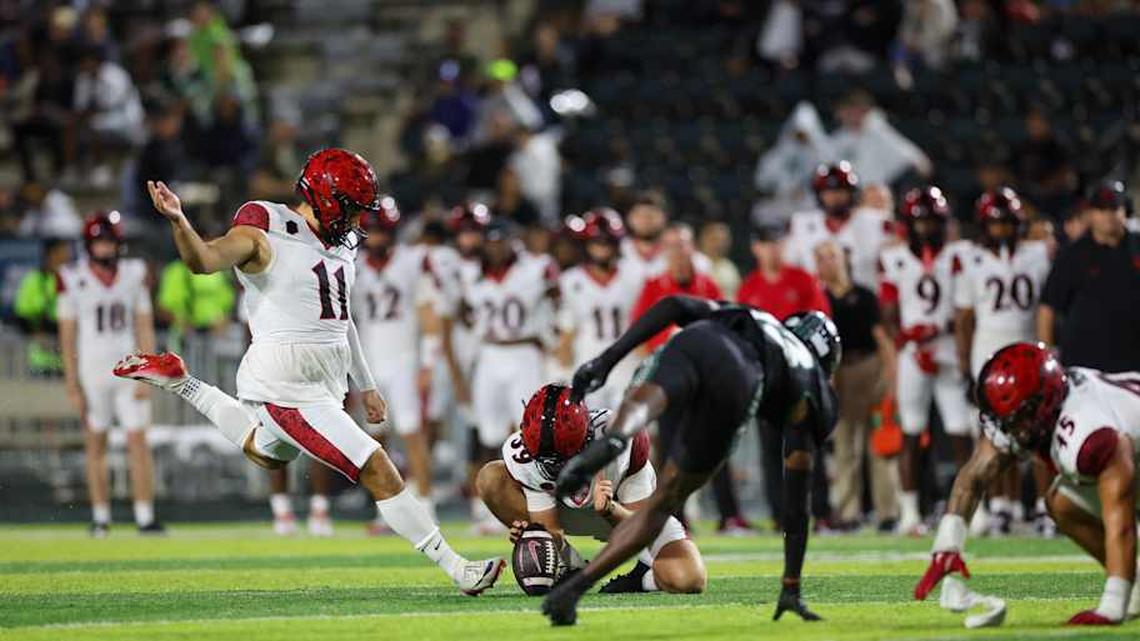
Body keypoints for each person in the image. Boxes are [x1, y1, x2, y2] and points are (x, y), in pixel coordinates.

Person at [115, 149, 504, 594]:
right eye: (354, 209)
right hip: (286, 383)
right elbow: (204, 260)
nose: (359, 222)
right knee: (377, 466)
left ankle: (181, 380)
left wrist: (368, 384)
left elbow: (342, 320)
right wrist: (179, 221)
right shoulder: (266, 225)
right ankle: (458, 568)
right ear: (329, 199)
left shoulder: (340, 246)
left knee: (266, 452)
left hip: (323, 382)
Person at [540, 296, 840, 625]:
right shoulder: (812, 384)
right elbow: (796, 504)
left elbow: (673, 306)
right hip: (742, 375)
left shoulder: (759, 317)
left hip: (696, 341)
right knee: (662, 505)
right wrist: (791, 586)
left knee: (644, 408)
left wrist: (606, 360)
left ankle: (615, 437)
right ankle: (574, 590)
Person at [915, 343, 1140, 625]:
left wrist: (1112, 605)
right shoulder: (1045, 405)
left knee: (1101, 499)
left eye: (1014, 420)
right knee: (1061, 502)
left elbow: (1122, 523)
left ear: (1041, 408)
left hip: (1125, 450)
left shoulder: (1089, 435)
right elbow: (975, 476)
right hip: (1129, 446)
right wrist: (947, 545)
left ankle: (1127, 588)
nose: (1006, 430)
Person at [476, 384, 706, 594]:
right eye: (549, 463)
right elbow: (549, 528)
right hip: (567, 513)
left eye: (565, 460)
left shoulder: (621, 437)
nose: (559, 469)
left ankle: (641, 580)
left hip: (627, 517)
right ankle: (570, 567)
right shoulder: (526, 457)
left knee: (689, 579)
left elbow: (641, 528)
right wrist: (534, 536)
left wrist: (610, 508)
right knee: (491, 478)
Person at [442, 217, 559, 533]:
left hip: (525, 351)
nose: (495, 248)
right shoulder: (470, 273)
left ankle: (536, 502)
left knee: (532, 433)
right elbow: (461, 311)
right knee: (488, 434)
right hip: (491, 352)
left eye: (500, 241)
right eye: (491, 242)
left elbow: (557, 298)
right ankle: (485, 509)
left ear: (512, 241)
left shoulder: (535, 267)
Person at [954, 187, 1053, 535]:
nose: (1002, 230)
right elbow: (964, 319)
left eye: (1008, 223)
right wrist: (966, 367)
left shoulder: (1039, 252)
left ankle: (1044, 506)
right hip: (989, 351)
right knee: (996, 435)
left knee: (1042, 433)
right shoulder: (969, 258)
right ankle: (1003, 506)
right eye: (996, 224)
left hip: (1029, 347)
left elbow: (1048, 305)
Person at [58, 212, 162, 536]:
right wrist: (72, 382)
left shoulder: (134, 273)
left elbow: (144, 323)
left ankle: (144, 516)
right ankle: (100, 517)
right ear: (89, 245)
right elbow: (67, 334)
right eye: (99, 242)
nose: (105, 248)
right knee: (96, 443)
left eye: (109, 242)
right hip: (93, 371)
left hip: (129, 369)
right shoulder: (71, 276)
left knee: (138, 442)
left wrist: (148, 371)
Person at [879, 186, 972, 535]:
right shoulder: (895, 258)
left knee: (961, 430)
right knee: (911, 432)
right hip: (914, 355)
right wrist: (905, 337)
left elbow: (966, 306)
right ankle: (909, 513)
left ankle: (969, 511)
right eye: (920, 221)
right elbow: (888, 312)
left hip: (947, 350)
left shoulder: (958, 255)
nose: (925, 228)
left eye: (932, 221)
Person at [352, 195, 442, 525]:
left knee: (412, 432)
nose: (376, 237)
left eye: (381, 230)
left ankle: (426, 504)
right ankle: (386, 511)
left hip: (403, 358)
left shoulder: (413, 260)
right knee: (375, 441)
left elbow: (429, 314)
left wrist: (428, 363)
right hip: (369, 362)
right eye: (371, 230)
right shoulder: (355, 263)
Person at [816, 240, 899, 530]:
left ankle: (888, 512)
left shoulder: (864, 295)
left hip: (869, 368)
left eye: (833, 256)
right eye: (823, 258)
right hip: (838, 373)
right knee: (844, 446)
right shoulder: (819, 298)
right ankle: (848, 512)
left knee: (880, 443)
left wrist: (892, 377)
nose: (829, 263)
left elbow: (881, 338)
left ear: (844, 260)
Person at [1038, 180, 1140, 374]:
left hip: (1135, 368)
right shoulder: (1072, 255)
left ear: (1125, 210)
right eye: (1101, 209)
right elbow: (1047, 308)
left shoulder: (1138, 246)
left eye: (1114, 208)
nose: (1108, 215)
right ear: (1091, 214)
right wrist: (1047, 357)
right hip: (1085, 370)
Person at [555, 209, 645, 410]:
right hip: (588, 359)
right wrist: (564, 354)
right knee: (587, 427)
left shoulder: (635, 274)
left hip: (626, 359)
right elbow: (567, 329)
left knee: (627, 429)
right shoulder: (571, 280)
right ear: (586, 244)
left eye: (607, 242)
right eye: (597, 242)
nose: (602, 248)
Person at [783, 162, 895, 292]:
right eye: (828, 192)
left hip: (865, 302)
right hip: (819, 305)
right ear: (819, 195)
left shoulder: (876, 222)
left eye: (840, 191)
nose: (834, 197)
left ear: (851, 193)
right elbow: (788, 267)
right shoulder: (803, 224)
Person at [737, 223, 830, 321]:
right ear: (755, 248)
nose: (772, 249)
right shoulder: (748, 287)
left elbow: (821, 317)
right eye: (766, 244)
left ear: (784, 244)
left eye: (777, 242)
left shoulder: (804, 279)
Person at [14, 238, 71, 376]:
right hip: (41, 363)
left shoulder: (73, 280)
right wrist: (38, 334)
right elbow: (21, 318)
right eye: (63, 253)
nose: (67, 257)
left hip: (69, 363)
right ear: (51, 255)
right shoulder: (33, 280)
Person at [697, 220, 741, 299]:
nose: (719, 244)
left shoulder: (730, 267)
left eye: (723, 240)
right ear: (703, 239)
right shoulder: (695, 263)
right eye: (714, 239)